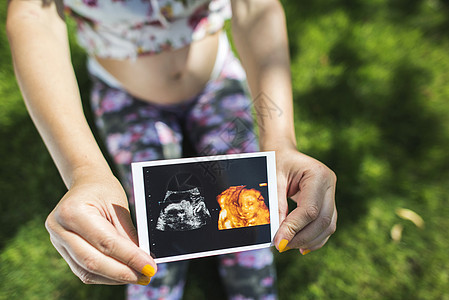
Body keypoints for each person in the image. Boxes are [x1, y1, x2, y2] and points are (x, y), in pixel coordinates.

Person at [6, 0, 337, 299]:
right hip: (126, 98)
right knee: (144, 247)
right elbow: (34, 13)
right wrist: (84, 171)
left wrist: (280, 139)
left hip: (216, 81)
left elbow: (256, 7)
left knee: (250, 222)